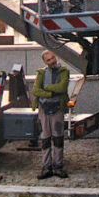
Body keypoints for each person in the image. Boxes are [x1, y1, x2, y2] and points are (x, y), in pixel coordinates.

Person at [31, 49, 70, 179]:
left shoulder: (64, 71)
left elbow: (62, 88)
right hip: (43, 109)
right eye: (48, 60)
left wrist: (46, 88)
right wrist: (51, 93)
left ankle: (58, 166)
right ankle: (46, 167)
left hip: (57, 108)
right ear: (45, 62)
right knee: (45, 139)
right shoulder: (41, 73)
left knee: (58, 138)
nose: (52, 61)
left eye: (53, 58)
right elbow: (36, 90)